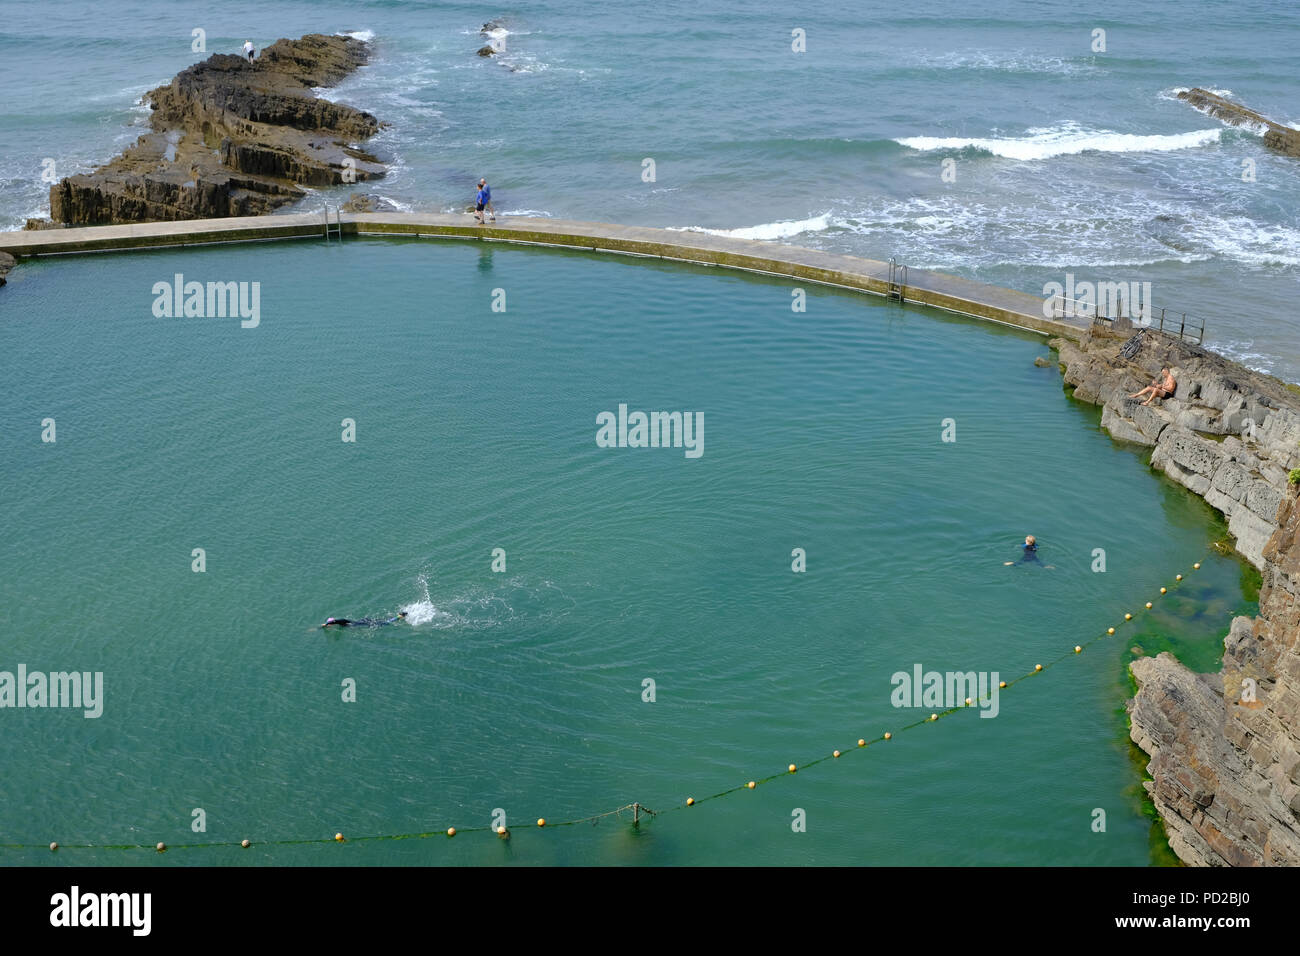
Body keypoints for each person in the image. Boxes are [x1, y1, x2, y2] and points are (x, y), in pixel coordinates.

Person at [323, 612, 407, 628]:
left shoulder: (341, 622)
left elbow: (339, 620)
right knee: (382, 621)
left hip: (361, 623)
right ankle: (398, 616)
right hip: (361, 622)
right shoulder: (340, 624)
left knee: (385, 623)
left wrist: (327, 624)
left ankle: (399, 616)